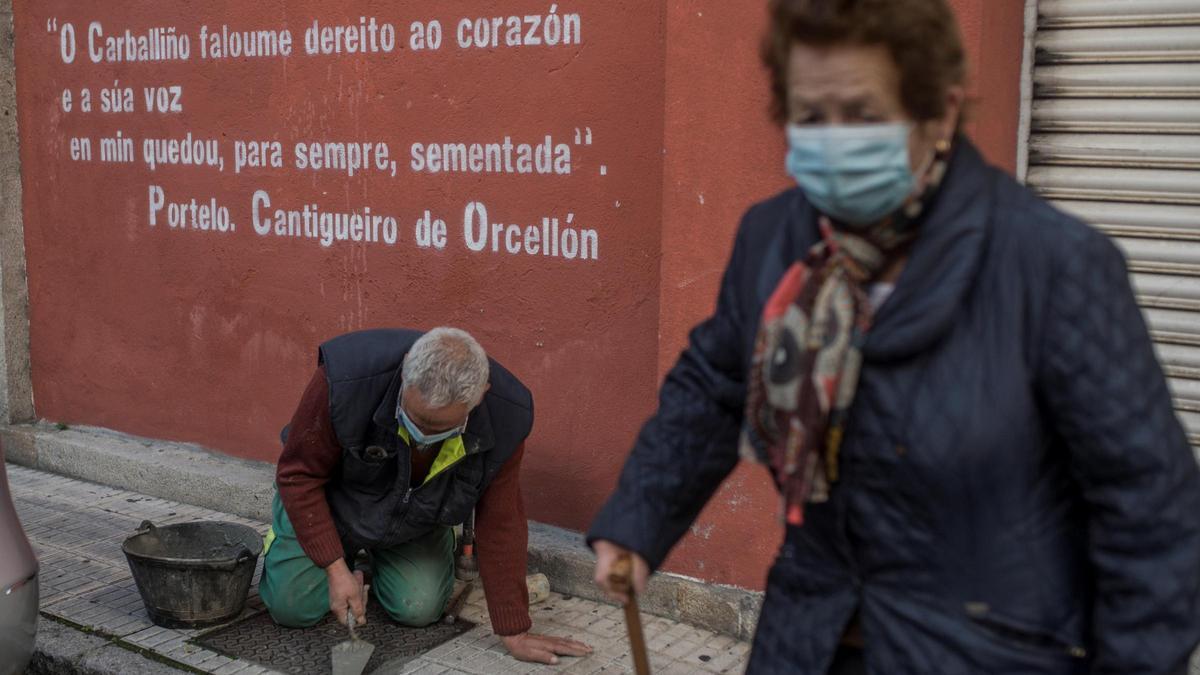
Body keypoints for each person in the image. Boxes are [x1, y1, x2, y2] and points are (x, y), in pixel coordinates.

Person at [588, 0, 1200, 672]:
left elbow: (1153, 515)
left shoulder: (1052, 265)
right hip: (808, 639)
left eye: (863, 113)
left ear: (939, 111)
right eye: (812, 116)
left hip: (990, 649)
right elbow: (712, 386)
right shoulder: (775, 239)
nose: (833, 141)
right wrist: (636, 523)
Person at [259, 327, 591, 666]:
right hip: (331, 505)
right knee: (291, 607)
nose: (424, 437)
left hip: (415, 518)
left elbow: (501, 519)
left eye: (441, 428)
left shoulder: (507, 416)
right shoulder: (345, 380)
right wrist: (333, 567)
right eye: (417, 420)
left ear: (479, 397)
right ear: (405, 371)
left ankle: (376, 563)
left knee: (418, 609)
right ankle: (338, 559)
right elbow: (297, 475)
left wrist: (514, 629)